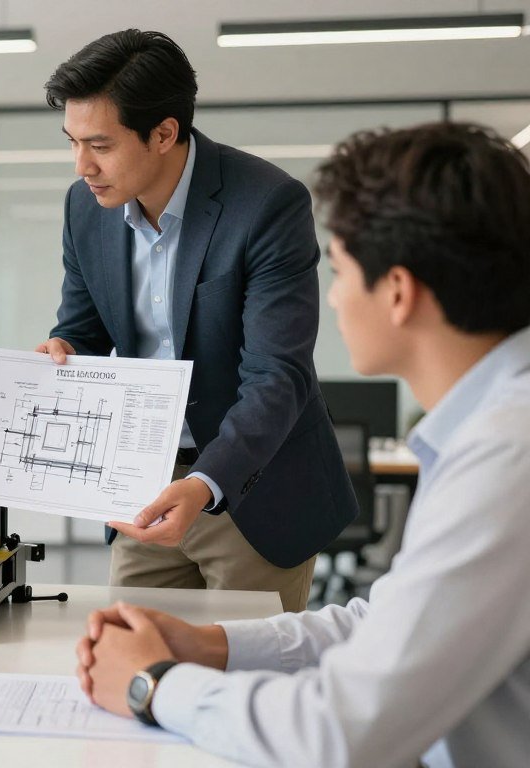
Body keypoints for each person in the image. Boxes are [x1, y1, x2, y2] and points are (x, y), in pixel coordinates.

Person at [75, 122, 530, 767]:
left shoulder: (507, 461)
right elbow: (385, 623)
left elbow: (338, 733)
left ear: (398, 293)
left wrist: (155, 685)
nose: (335, 298)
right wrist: (212, 645)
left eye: (340, 270)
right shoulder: (496, 428)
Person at [35, 30, 355, 612]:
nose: (83, 165)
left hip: (251, 489)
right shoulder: (85, 207)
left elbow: (277, 374)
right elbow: (83, 325)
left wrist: (205, 483)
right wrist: (63, 348)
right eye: (73, 142)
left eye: (100, 145)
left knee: (243, 678)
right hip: (143, 485)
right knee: (131, 665)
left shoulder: (266, 205)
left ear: (163, 133)